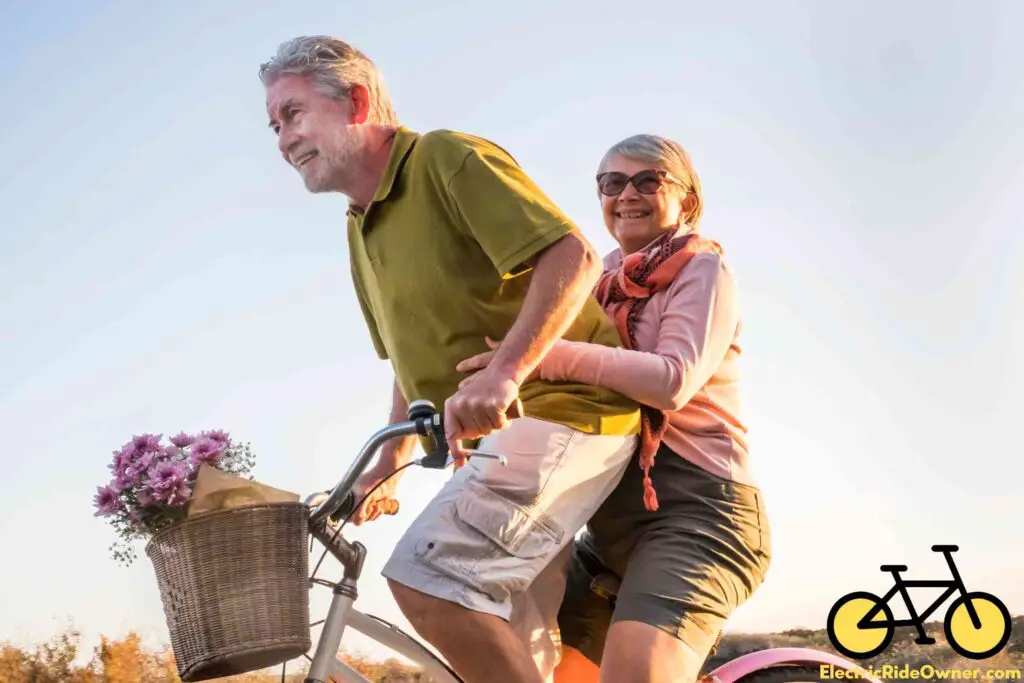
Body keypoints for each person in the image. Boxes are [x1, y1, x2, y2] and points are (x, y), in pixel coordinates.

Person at [258, 37, 642, 683]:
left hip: (568, 413)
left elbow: (570, 254)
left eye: (292, 114)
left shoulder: (444, 157)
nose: (282, 139)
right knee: (517, 645)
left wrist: (504, 372)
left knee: (430, 577)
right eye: (273, 125)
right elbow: (408, 360)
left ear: (355, 100)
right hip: (507, 441)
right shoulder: (359, 225)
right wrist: (390, 462)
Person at [458, 134, 772, 683]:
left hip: (698, 510)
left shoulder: (703, 271)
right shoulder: (591, 280)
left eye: (648, 181)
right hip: (605, 524)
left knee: (636, 676)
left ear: (686, 202)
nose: (627, 194)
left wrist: (543, 356)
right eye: (611, 182)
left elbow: (672, 379)